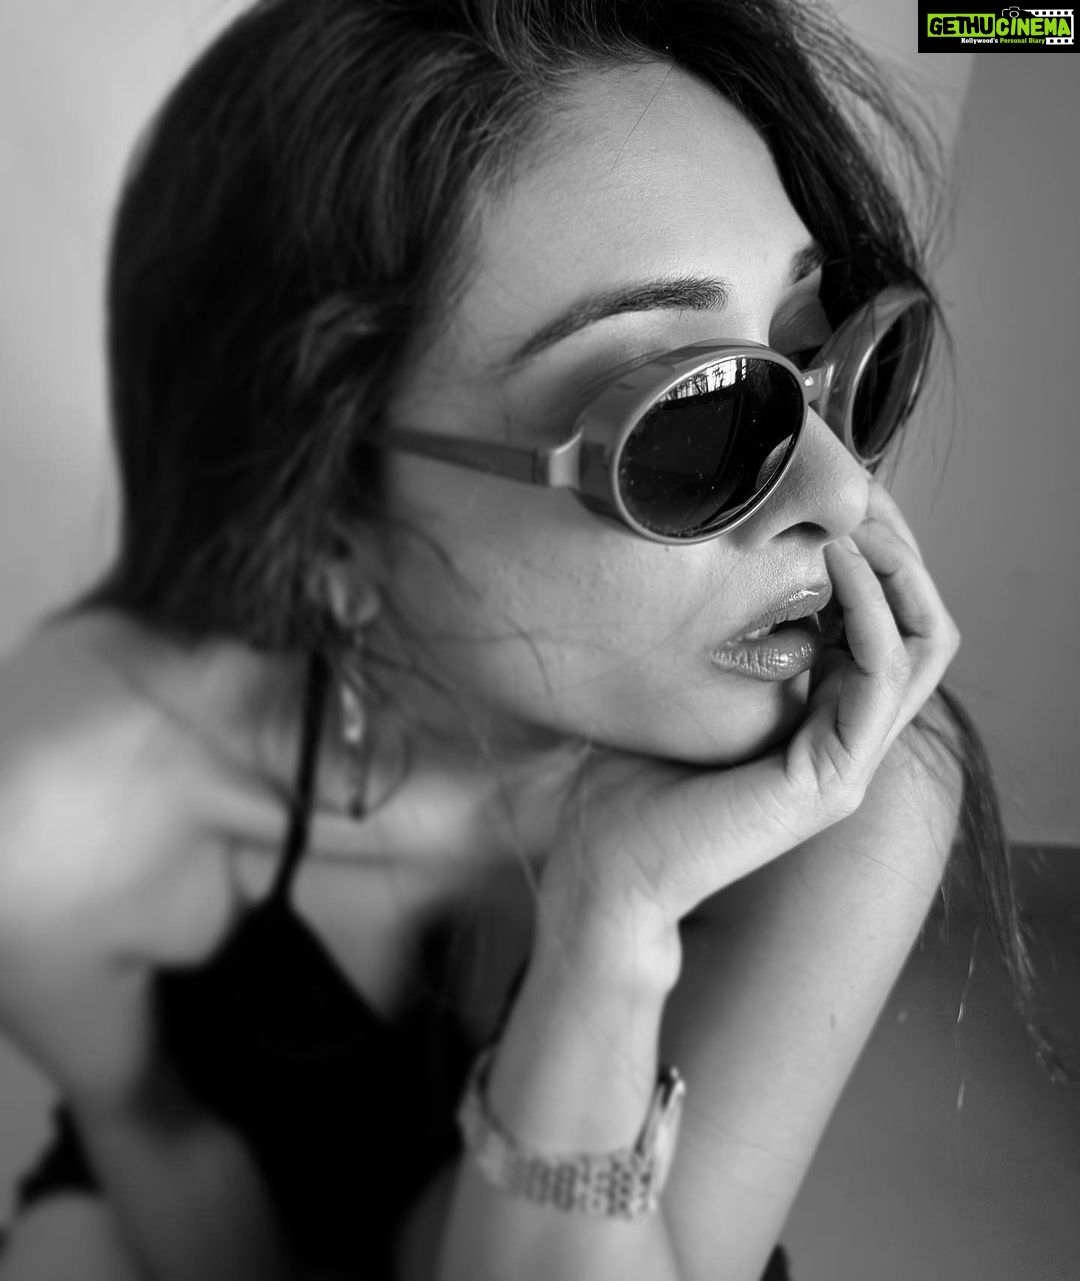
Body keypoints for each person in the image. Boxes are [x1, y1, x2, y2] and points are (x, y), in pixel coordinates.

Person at [0, 1, 1028, 1278]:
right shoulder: (63, 808)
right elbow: (161, 1153)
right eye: (690, 416)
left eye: (823, 347)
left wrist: (612, 926)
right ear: (331, 527)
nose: (844, 490)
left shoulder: (850, 784)